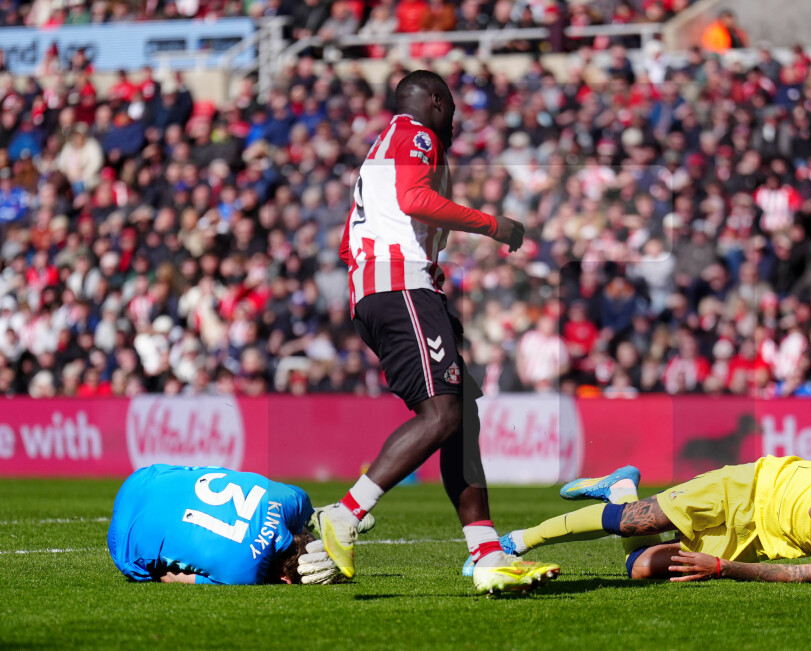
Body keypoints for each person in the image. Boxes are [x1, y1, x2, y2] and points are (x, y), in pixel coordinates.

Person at [316, 70, 559, 594]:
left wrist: (420, 269)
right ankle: (346, 513)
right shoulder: (417, 135)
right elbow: (414, 199)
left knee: (461, 419)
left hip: (388, 288)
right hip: (401, 288)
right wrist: (494, 225)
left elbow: (352, 240)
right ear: (436, 101)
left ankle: (487, 554)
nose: (454, 120)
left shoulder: (380, 147)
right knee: (443, 414)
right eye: (450, 107)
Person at [500, 457, 811, 589]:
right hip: (747, 489)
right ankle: (515, 543)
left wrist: (722, 567)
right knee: (630, 524)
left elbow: (796, 573)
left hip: (755, 541)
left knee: (639, 567)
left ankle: (620, 485)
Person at [107, 464, 361, 585]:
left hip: (146, 476)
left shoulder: (293, 499)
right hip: (123, 541)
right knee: (162, 570)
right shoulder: (243, 575)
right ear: (285, 579)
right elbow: (174, 577)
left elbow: (307, 516)